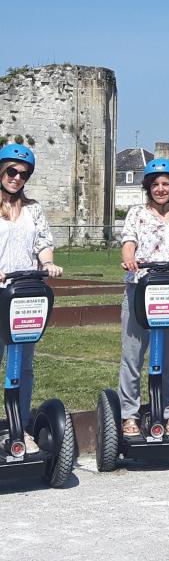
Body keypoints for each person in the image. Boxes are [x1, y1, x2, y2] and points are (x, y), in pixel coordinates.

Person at [118, 158, 169, 437]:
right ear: (148, 187)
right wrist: (129, 259)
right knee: (133, 356)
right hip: (140, 289)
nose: (160, 189)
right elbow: (129, 242)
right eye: (155, 184)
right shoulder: (136, 213)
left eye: (166, 184)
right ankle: (129, 415)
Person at [0, 143, 63, 452]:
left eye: (23, 174)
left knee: (23, 366)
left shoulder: (33, 208)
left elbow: (43, 241)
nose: (17, 178)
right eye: (12, 171)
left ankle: (19, 427)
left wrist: (48, 262)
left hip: (24, 295)